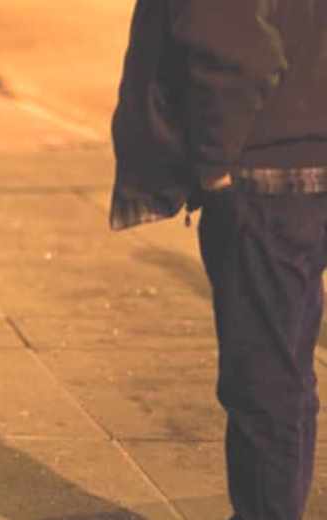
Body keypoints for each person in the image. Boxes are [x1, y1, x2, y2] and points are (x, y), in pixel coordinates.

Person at [110, 2, 327, 518]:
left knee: (265, 382)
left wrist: (215, 162)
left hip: (266, 166)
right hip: (303, 148)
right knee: (288, 371)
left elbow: (223, 35)